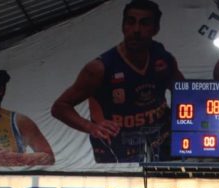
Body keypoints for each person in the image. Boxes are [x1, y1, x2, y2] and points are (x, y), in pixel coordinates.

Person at [51, 0, 183, 163]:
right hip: (118, 146)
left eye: (144, 23)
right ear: (123, 26)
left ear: (155, 29)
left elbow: (184, 93)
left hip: (160, 139)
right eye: (130, 22)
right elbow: (59, 107)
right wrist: (91, 127)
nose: (136, 30)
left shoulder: (162, 57)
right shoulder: (100, 68)